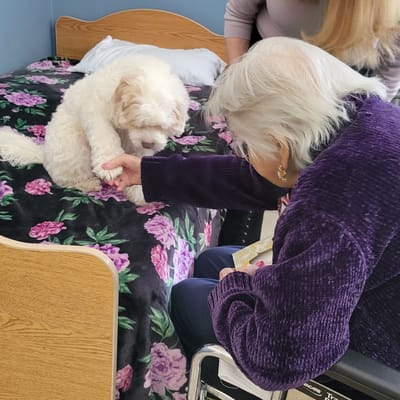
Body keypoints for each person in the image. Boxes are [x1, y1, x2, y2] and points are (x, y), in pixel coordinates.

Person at [103, 37, 400, 398]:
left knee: (187, 294)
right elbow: (263, 177)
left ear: (280, 146)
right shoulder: (363, 117)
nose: (245, 156)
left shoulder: (329, 205)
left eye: (246, 147)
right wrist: (151, 173)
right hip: (370, 290)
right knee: (212, 259)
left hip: (377, 356)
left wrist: (232, 289)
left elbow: (280, 360)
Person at [224, 0, 400, 102]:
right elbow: (238, 13)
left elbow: (389, 77)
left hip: (338, 89)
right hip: (259, 64)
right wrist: (237, 73)